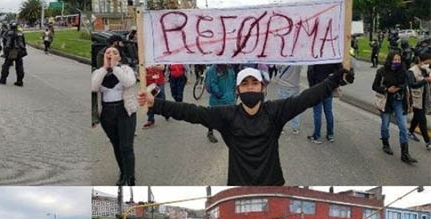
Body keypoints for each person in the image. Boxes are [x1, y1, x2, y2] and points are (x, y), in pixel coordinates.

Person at [138, 67, 354, 185]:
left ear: (262, 88)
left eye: (255, 83)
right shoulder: (226, 115)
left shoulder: (275, 111)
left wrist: (336, 80)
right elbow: (191, 112)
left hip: (273, 184)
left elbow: (307, 98)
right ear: (238, 90)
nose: (250, 87)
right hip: (239, 185)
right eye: (245, 83)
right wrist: (155, 104)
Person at [92, 46, 137, 186]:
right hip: (107, 113)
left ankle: (130, 177)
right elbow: (93, 87)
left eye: (115, 52)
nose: (111, 54)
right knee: (116, 145)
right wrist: (105, 67)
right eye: (108, 53)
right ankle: (123, 173)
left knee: (126, 146)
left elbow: (128, 82)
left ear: (120, 57)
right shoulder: (99, 72)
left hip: (125, 110)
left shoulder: (125, 70)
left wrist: (115, 67)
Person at [372, 52, 417, 164]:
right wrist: (387, 90)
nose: (397, 61)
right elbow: (375, 86)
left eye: (399, 60)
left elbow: (407, 83)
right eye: (394, 59)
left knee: (403, 126)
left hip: (399, 101)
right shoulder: (382, 71)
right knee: (385, 125)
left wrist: (398, 88)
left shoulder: (403, 70)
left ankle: (405, 153)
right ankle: (385, 144)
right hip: (386, 101)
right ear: (390, 60)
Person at [306, 63, 341, 143]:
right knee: (328, 111)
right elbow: (339, 69)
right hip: (329, 86)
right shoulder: (332, 55)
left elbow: (310, 72)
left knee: (317, 112)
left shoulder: (316, 54)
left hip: (317, 87)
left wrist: (311, 87)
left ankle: (317, 136)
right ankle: (330, 134)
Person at [204, 64, 237, 143]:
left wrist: (234, 92)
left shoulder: (230, 68)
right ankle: (210, 132)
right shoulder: (213, 69)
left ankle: (229, 133)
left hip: (230, 98)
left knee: (229, 116)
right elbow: (211, 84)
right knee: (213, 117)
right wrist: (219, 94)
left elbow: (233, 81)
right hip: (218, 99)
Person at [406, 48, 431, 150]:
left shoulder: (426, 70)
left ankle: (410, 132)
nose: (428, 65)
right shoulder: (411, 71)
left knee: (417, 117)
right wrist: (425, 80)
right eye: (427, 63)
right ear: (420, 61)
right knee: (422, 120)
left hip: (424, 99)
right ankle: (428, 142)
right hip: (415, 100)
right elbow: (412, 85)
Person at [275, 65, 303, 135]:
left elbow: (276, 67)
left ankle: (281, 128)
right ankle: (295, 128)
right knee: (295, 108)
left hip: (283, 86)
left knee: (282, 108)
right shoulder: (298, 61)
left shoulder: (283, 60)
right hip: (295, 87)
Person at [0, 22, 26, 86]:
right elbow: (23, 43)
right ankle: (20, 81)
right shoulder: (20, 33)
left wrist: (6, 52)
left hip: (13, 51)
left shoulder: (9, 33)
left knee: (6, 65)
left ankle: (3, 80)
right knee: (19, 66)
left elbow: (7, 43)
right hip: (20, 50)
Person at [143, 64, 167, 128]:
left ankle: (166, 112)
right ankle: (150, 119)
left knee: (162, 99)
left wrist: (153, 66)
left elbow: (162, 67)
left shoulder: (157, 57)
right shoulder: (144, 59)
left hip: (159, 82)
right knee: (149, 100)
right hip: (149, 83)